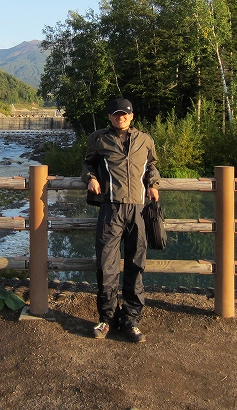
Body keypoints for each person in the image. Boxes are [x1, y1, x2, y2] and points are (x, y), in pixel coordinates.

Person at [82, 98, 160, 342]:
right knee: (107, 266)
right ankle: (107, 318)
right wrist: (91, 178)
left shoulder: (145, 140)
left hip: (137, 210)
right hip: (110, 210)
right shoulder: (99, 139)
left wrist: (153, 184)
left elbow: (152, 166)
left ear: (132, 116)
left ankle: (131, 319)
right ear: (110, 117)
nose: (121, 118)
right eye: (116, 115)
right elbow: (87, 164)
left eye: (124, 114)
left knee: (136, 264)